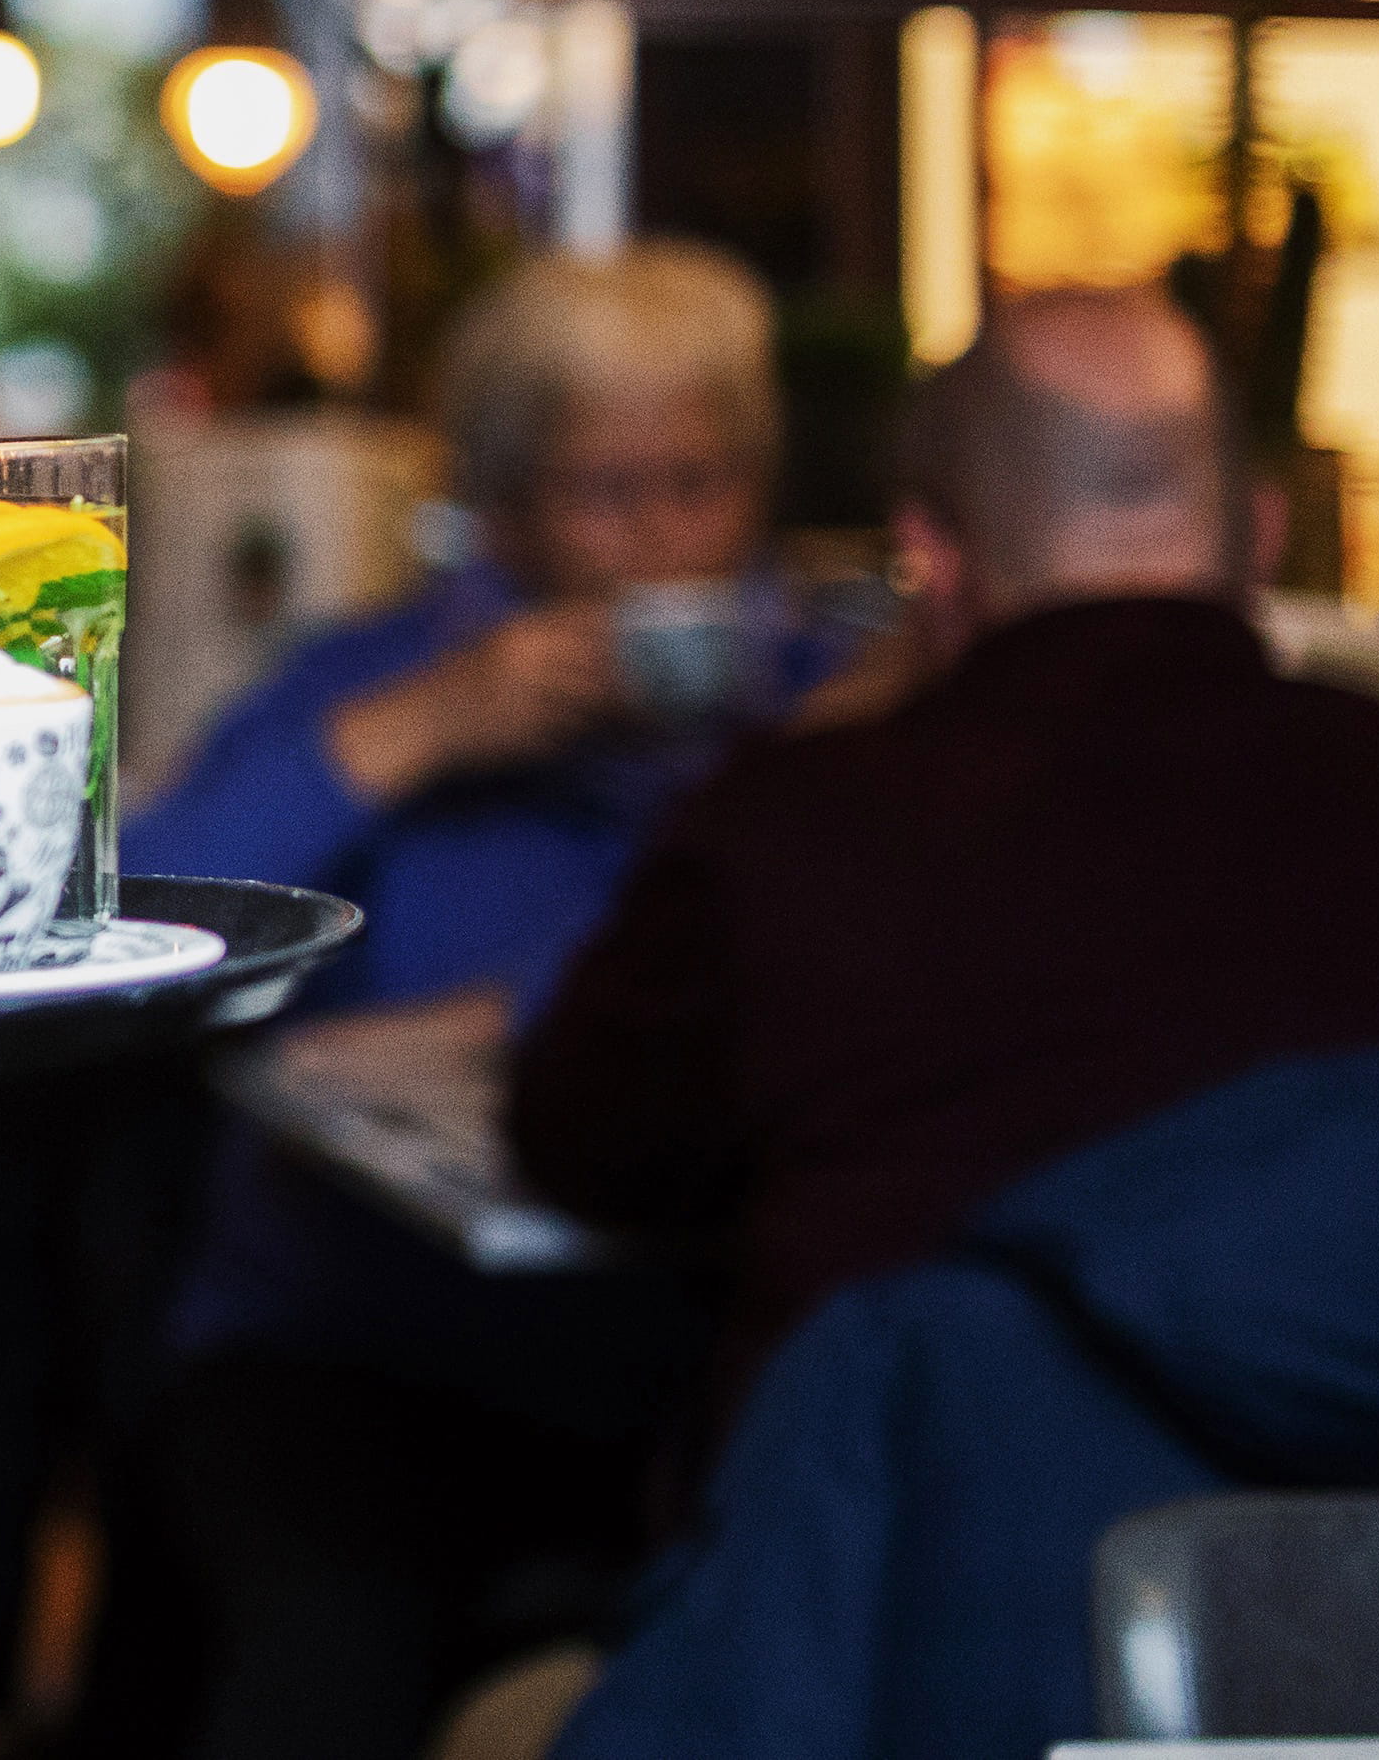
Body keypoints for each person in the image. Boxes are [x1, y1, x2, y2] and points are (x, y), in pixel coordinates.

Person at [101, 243, 837, 1760]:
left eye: (700, 482)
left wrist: (521, 1017)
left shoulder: (828, 710)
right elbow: (140, 925)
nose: (660, 542)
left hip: (706, 1350)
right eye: (603, 490)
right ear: (497, 509)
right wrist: (429, 728)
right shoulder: (380, 681)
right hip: (354, 1343)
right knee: (328, 1667)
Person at [510, 285, 1379, 1393]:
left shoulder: (794, 831)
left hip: (921, 1543)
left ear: (929, 556)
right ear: (1265, 529)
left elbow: (578, 1151)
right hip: (1354, 1555)